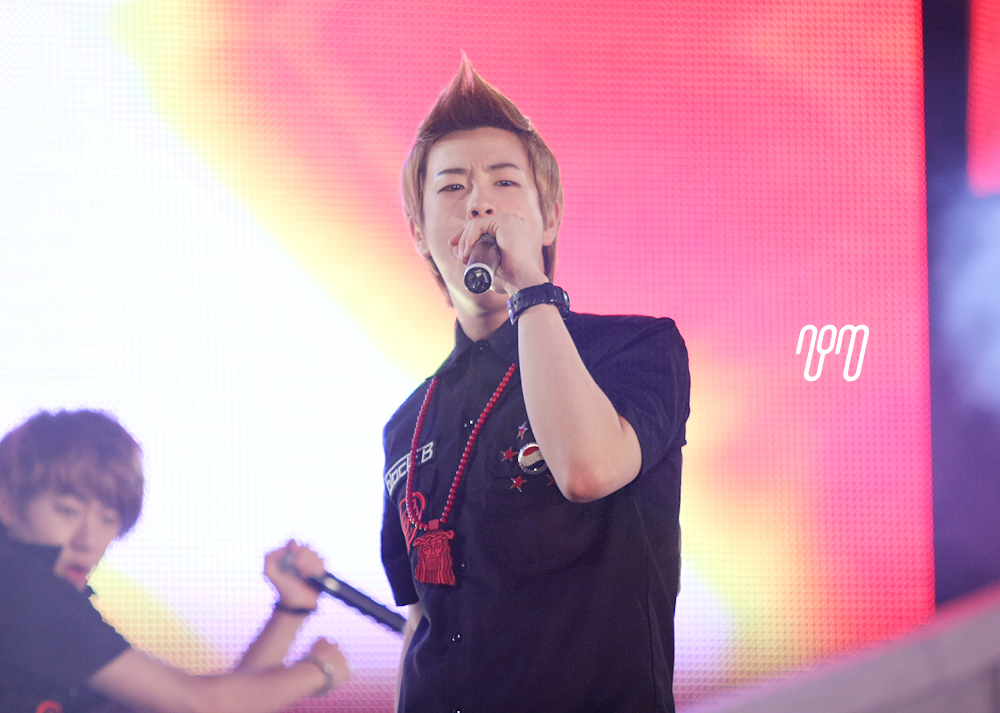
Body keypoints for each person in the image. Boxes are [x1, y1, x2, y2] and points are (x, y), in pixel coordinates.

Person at [380, 59, 690, 713]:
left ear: (548, 219)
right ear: (418, 232)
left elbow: (587, 468)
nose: (479, 203)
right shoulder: (409, 423)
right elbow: (425, 618)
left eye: (504, 181)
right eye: (452, 186)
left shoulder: (635, 349)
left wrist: (529, 287)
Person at [0, 409, 350, 713]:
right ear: (7, 503)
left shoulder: (43, 605)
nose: (87, 541)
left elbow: (207, 704)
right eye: (68, 511)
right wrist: (318, 671)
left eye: (108, 519)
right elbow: (200, 704)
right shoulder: (18, 584)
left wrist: (291, 611)